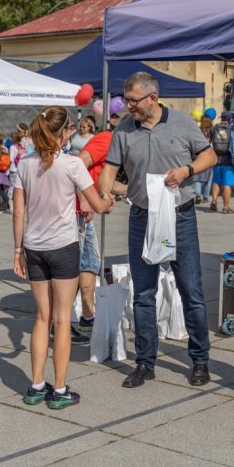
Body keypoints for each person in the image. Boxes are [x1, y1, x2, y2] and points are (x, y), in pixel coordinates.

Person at [98, 72, 217, 388]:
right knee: (144, 294)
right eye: (126, 101)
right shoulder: (124, 129)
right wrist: (104, 194)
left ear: (153, 98)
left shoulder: (181, 123)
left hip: (181, 217)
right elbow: (109, 169)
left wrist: (187, 170)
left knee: (191, 290)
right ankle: (145, 362)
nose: (128, 107)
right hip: (142, 218)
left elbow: (210, 155)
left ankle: (200, 361)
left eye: (133, 100)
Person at [13, 106, 112, 409]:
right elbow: (95, 203)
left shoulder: (25, 164)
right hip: (63, 247)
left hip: (34, 246)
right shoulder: (71, 164)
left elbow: (19, 211)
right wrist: (108, 201)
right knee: (62, 320)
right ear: (65, 131)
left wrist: (17, 251)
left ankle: (35, 385)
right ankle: (59, 390)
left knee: (42, 318)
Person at [74, 130, 128, 335]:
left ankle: (88, 317)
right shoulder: (108, 139)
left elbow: (105, 181)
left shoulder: (118, 148)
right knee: (70, 271)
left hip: (85, 215)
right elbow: (78, 165)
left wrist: (136, 189)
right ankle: (60, 323)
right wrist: (85, 199)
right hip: (76, 211)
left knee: (89, 264)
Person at [209, 111, 234, 214]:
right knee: (227, 184)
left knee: (216, 182)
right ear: (230, 119)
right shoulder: (232, 128)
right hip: (228, 161)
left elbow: (208, 141)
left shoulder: (214, 128)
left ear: (221, 118)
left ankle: (214, 201)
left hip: (216, 160)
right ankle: (226, 207)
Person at [193, 114, 214, 204]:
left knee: (197, 177)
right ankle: (206, 196)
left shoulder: (197, 130)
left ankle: (197, 194)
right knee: (208, 178)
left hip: (198, 156)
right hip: (209, 157)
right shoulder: (212, 131)